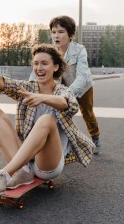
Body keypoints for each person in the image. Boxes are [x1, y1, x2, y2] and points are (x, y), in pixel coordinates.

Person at [0, 44, 95, 195]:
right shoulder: (28, 88)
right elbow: (4, 83)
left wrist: (42, 98)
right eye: (36, 63)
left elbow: (67, 104)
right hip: (27, 161)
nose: (39, 68)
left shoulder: (63, 90)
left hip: (48, 164)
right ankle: (22, 172)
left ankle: (5, 174)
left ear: (55, 67)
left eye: (44, 63)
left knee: (46, 120)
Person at [29, 15, 101, 154]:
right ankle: (64, 146)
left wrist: (68, 94)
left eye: (61, 32)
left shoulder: (79, 50)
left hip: (82, 88)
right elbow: (37, 71)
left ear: (70, 34)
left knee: (87, 113)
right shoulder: (49, 51)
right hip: (60, 89)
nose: (56, 36)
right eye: (54, 32)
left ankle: (95, 137)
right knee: (60, 116)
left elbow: (82, 76)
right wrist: (29, 87)